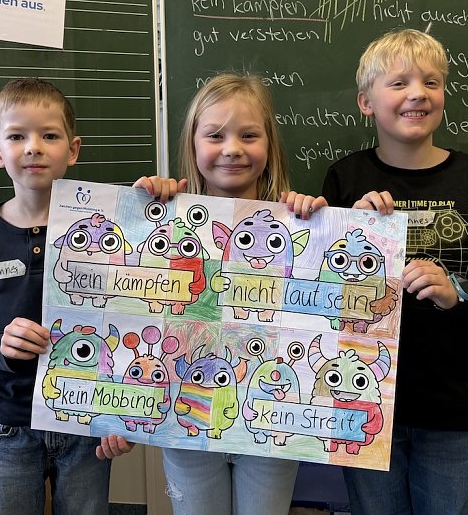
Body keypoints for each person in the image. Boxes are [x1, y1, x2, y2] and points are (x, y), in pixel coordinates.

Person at [322, 29, 468, 515]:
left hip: (454, 409)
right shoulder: (345, 179)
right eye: (399, 82)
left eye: (431, 82)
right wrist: (349, 237)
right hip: (365, 402)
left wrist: (457, 291)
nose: (417, 92)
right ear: (365, 102)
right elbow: (315, 295)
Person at [127, 72, 326, 515]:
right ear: (193, 145)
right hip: (187, 418)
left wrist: (318, 223)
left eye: (249, 135)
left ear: (269, 146)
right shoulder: (164, 214)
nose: (232, 147)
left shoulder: (299, 223)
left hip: (268, 424)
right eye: (215, 135)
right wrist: (147, 202)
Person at [0, 78, 133, 515]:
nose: (33, 147)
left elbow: (130, 320)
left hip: (84, 421)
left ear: (73, 150)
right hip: (7, 425)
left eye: (49, 135)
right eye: (16, 136)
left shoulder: (105, 226)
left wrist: (123, 412)